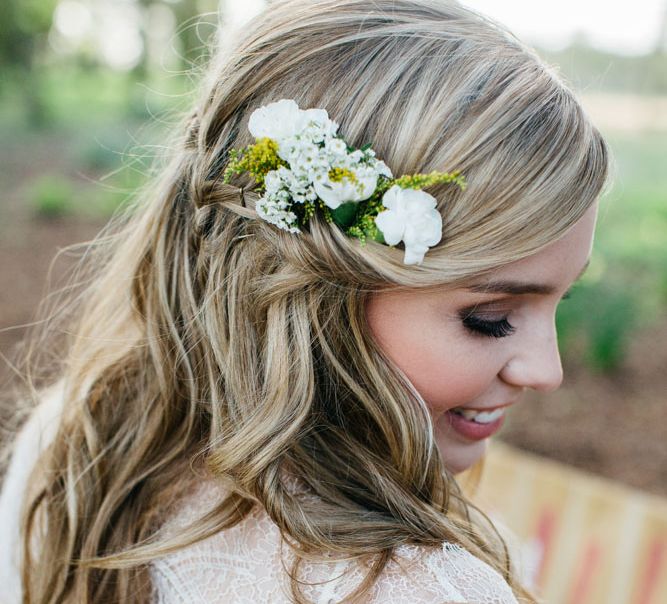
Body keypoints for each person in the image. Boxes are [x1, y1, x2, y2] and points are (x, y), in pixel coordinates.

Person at [0, 0, 610, 602]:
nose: (547, 372)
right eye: (491, 319)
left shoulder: (76, 447)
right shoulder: (411, 590)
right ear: (315, 292)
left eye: (562, 299)